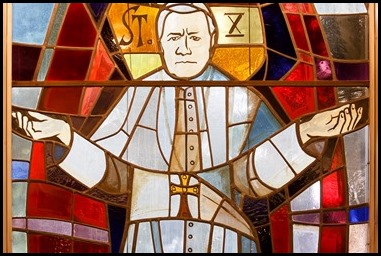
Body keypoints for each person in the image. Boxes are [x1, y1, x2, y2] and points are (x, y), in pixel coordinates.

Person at [12, 3, 365, 253]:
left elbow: (250, 178)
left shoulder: (241, 98)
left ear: (213, 41)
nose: (184, 47)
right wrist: (64, 137)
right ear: (159, 43)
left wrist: (306, 133)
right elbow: (114, 175)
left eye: (194, 38)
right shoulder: (137, 96)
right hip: (149, 234)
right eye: (174, 38)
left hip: (226, 232)